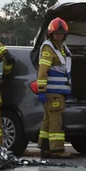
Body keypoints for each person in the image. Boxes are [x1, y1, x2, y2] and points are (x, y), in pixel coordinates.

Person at [34, 18, 72, 158]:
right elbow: (43, 69)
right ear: (51, 34)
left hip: (58, 91)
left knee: (48, 120)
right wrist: (42, 90)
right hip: (52, 92)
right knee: (56, 121)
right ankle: (57, 150)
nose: (59, 35)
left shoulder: (61, 47)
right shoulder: (49, 48)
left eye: (61, 33)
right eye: (57, 33)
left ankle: (44, 147)